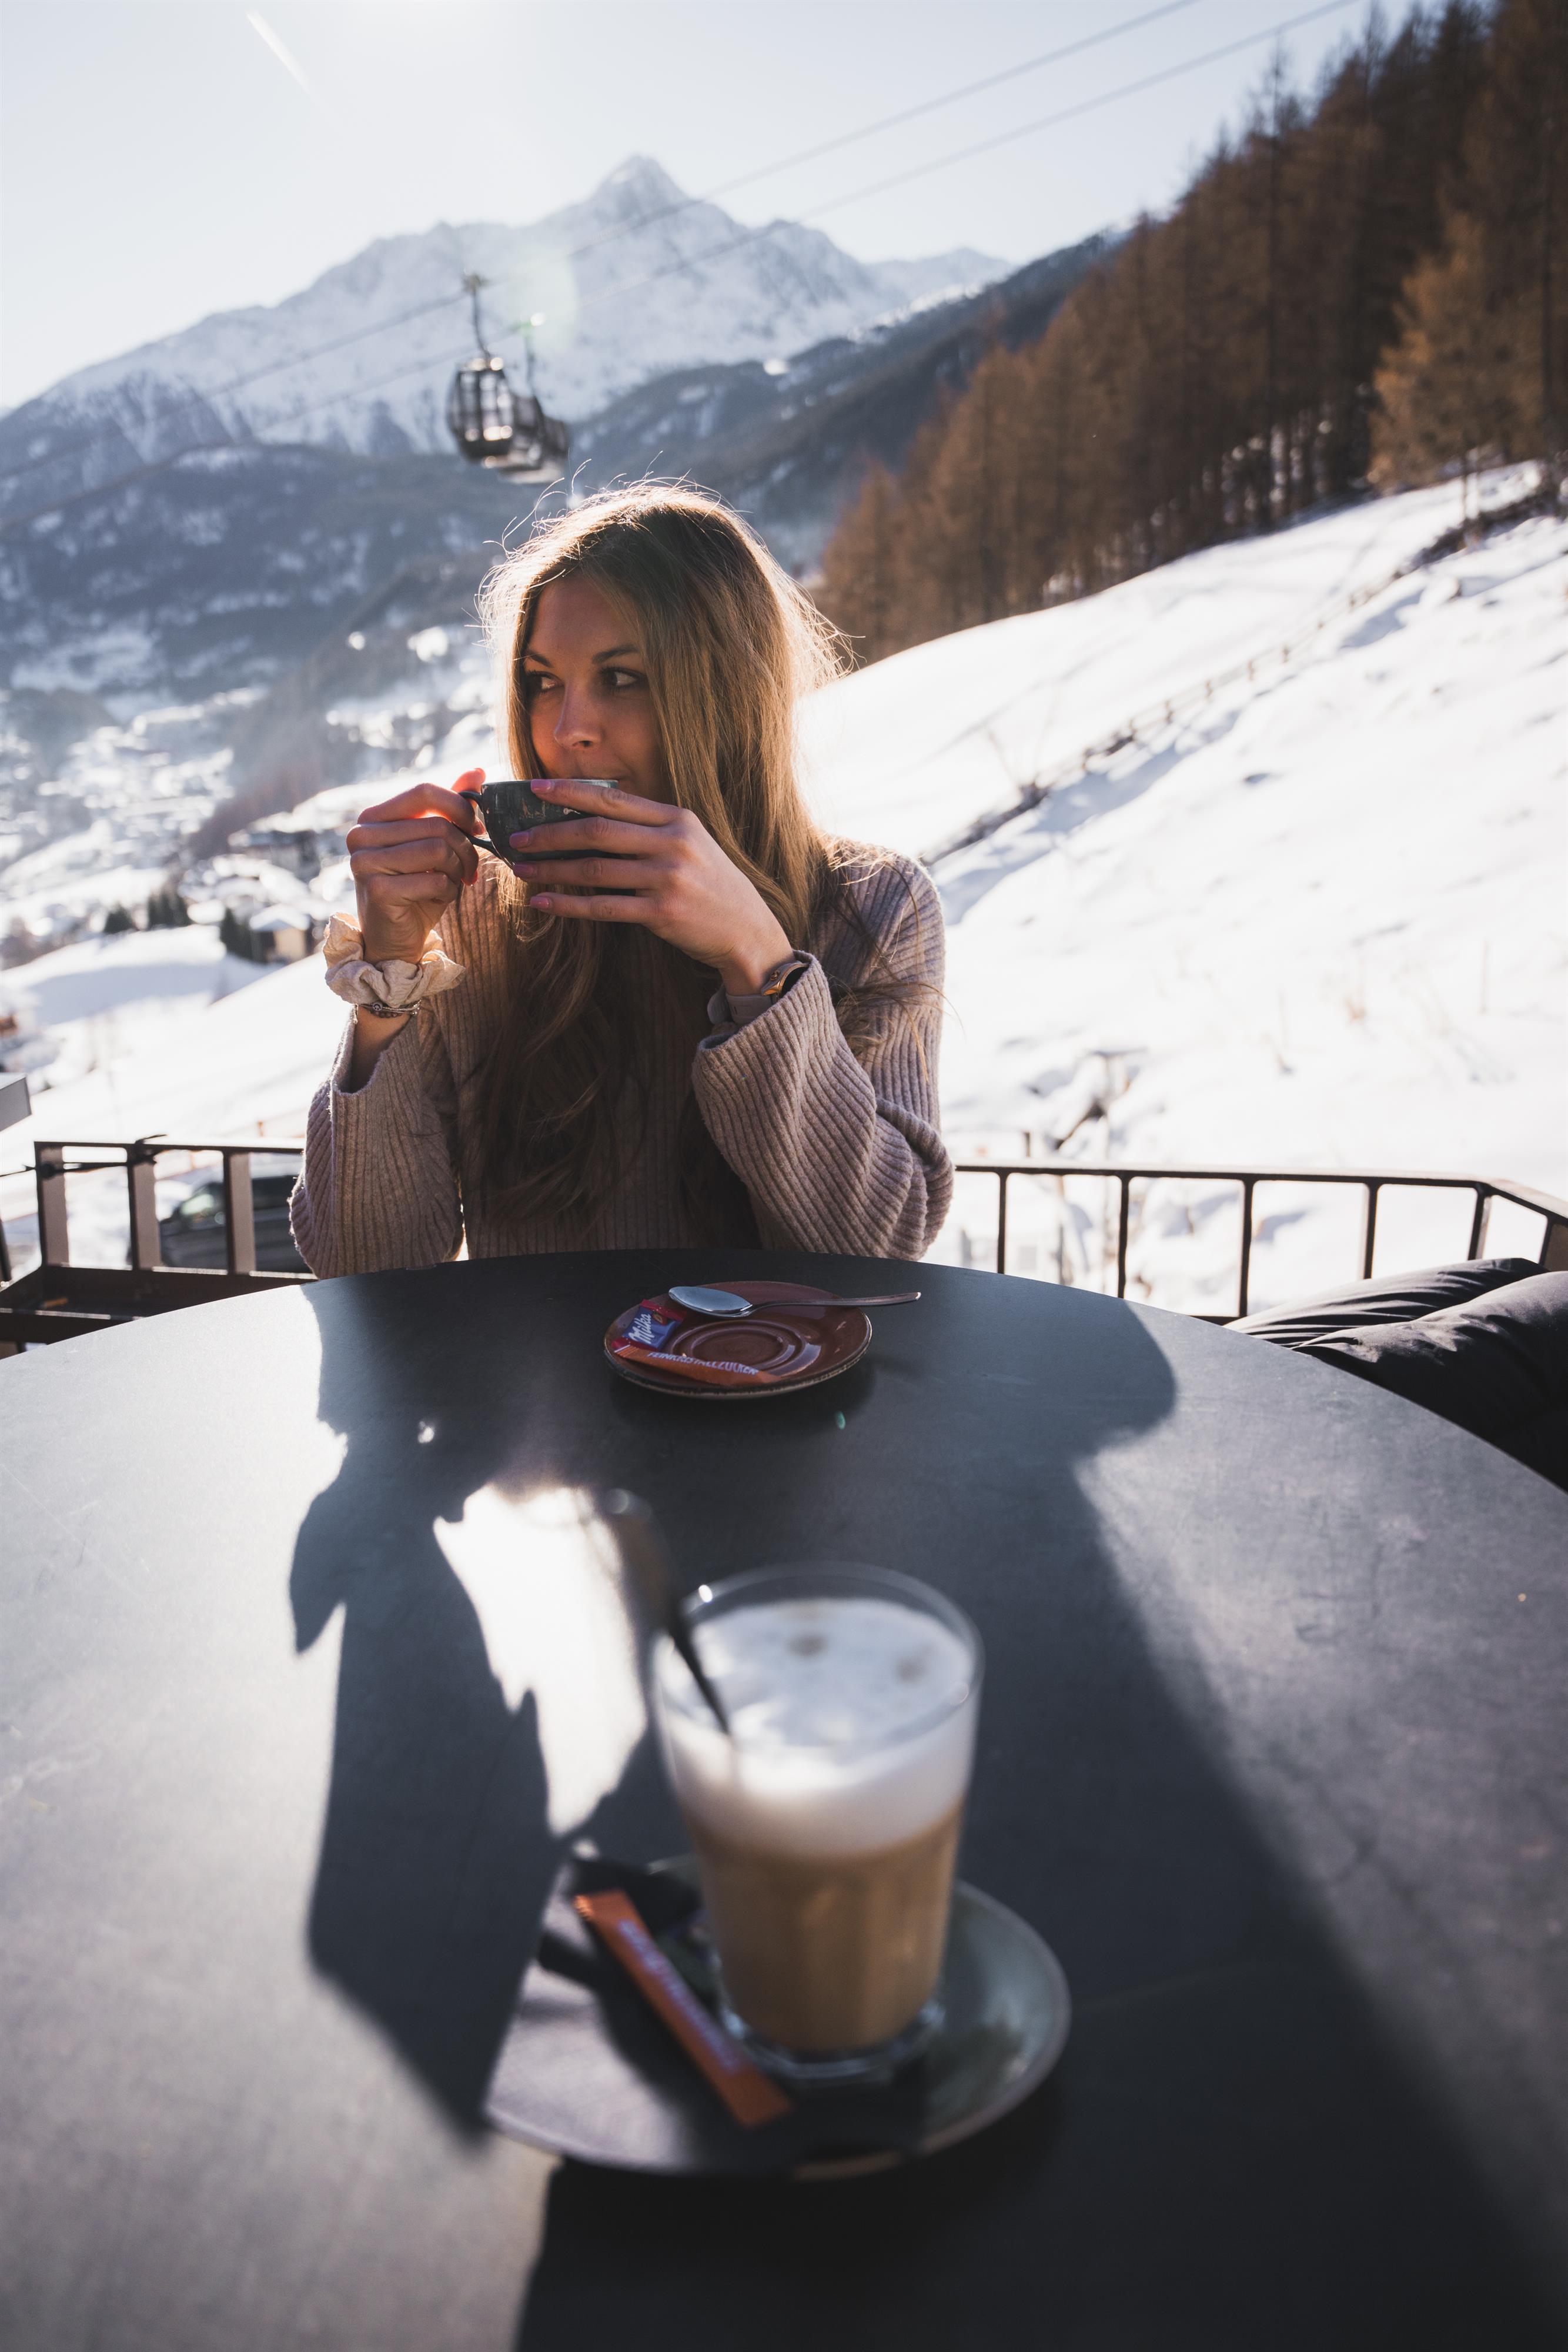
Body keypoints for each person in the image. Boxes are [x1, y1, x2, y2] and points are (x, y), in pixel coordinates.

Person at [290, 485, 951, 1275]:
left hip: (774, 1362)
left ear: (730, 698)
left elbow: (876, 1253)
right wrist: (389, 978)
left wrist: (757, 961)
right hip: (534, 1364)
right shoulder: (478, 915)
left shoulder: (873, 906)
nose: (569, 729)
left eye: (623, 678)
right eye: (543, 682)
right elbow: (363, 1265)